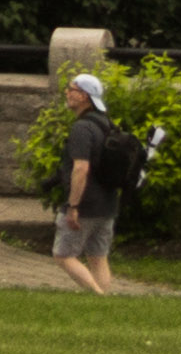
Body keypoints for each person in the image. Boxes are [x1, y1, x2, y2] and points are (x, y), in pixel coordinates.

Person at [51, 69, 140, 296]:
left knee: (63, 255)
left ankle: (98, 297)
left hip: (85, 205)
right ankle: (106, 303)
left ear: (83, 96)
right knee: (98, 257)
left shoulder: (82, 128)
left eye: (71, 89)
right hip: (108, 203)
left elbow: (81, 169)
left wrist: (73, 206)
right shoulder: (106, 124)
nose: (67, 93)